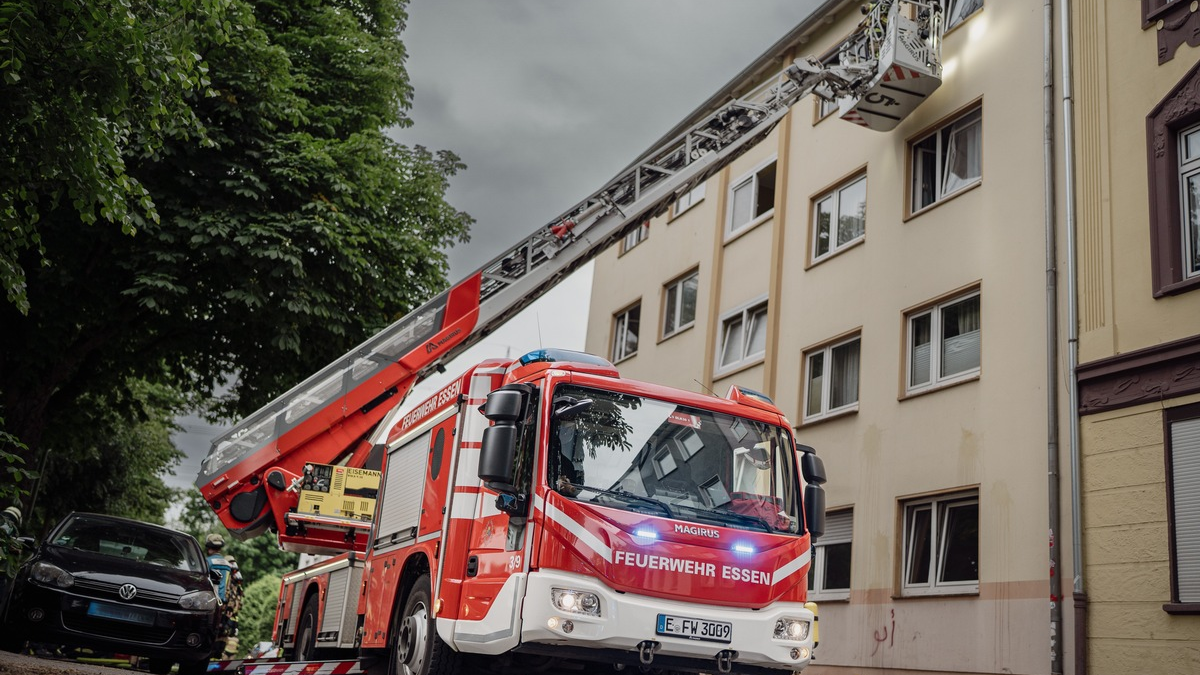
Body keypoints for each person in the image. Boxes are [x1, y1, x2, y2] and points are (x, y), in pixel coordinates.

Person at [205, 534, 242, 658]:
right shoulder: (227, 564)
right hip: (222, 605)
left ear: (208, 547)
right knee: (217, 634)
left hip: (207, 603)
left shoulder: (207, 562)